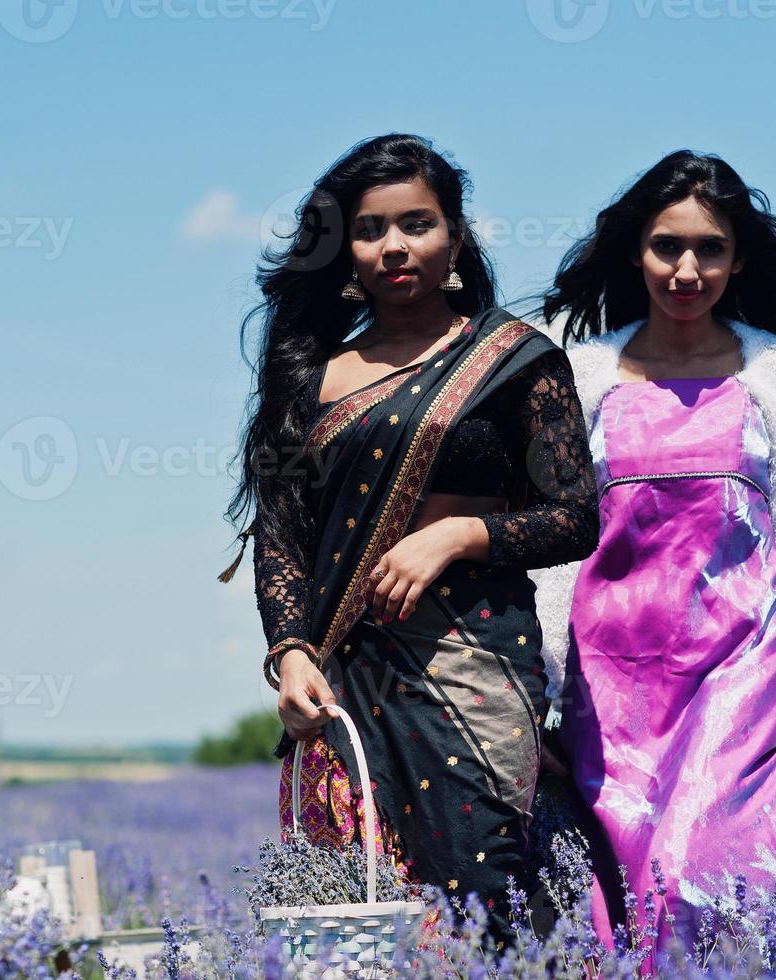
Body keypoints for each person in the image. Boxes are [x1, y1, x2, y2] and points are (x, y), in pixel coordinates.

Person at [222, 133, 599, 950]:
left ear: (455, 237)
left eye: (417, 224)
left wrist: (460, 536)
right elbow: (281, 532)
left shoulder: (514, 361)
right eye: (370, 230)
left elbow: (576, 516)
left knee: (484, 891)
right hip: (346, 678)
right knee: (354, 914)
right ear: (344, 249)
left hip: (474, 666)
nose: (394, 247)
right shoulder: (307, 375)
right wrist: (289, 654)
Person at [531, 149, 776, 971]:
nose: (686, 269)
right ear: (635, 253)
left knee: (696, 867)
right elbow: (552, 541)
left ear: (737, 258)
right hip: (610, 684)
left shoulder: (770, 370)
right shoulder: (584, 375)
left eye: (710, 249)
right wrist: (539, 683)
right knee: (626, 886)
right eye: (666, 247)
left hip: (739, 670)